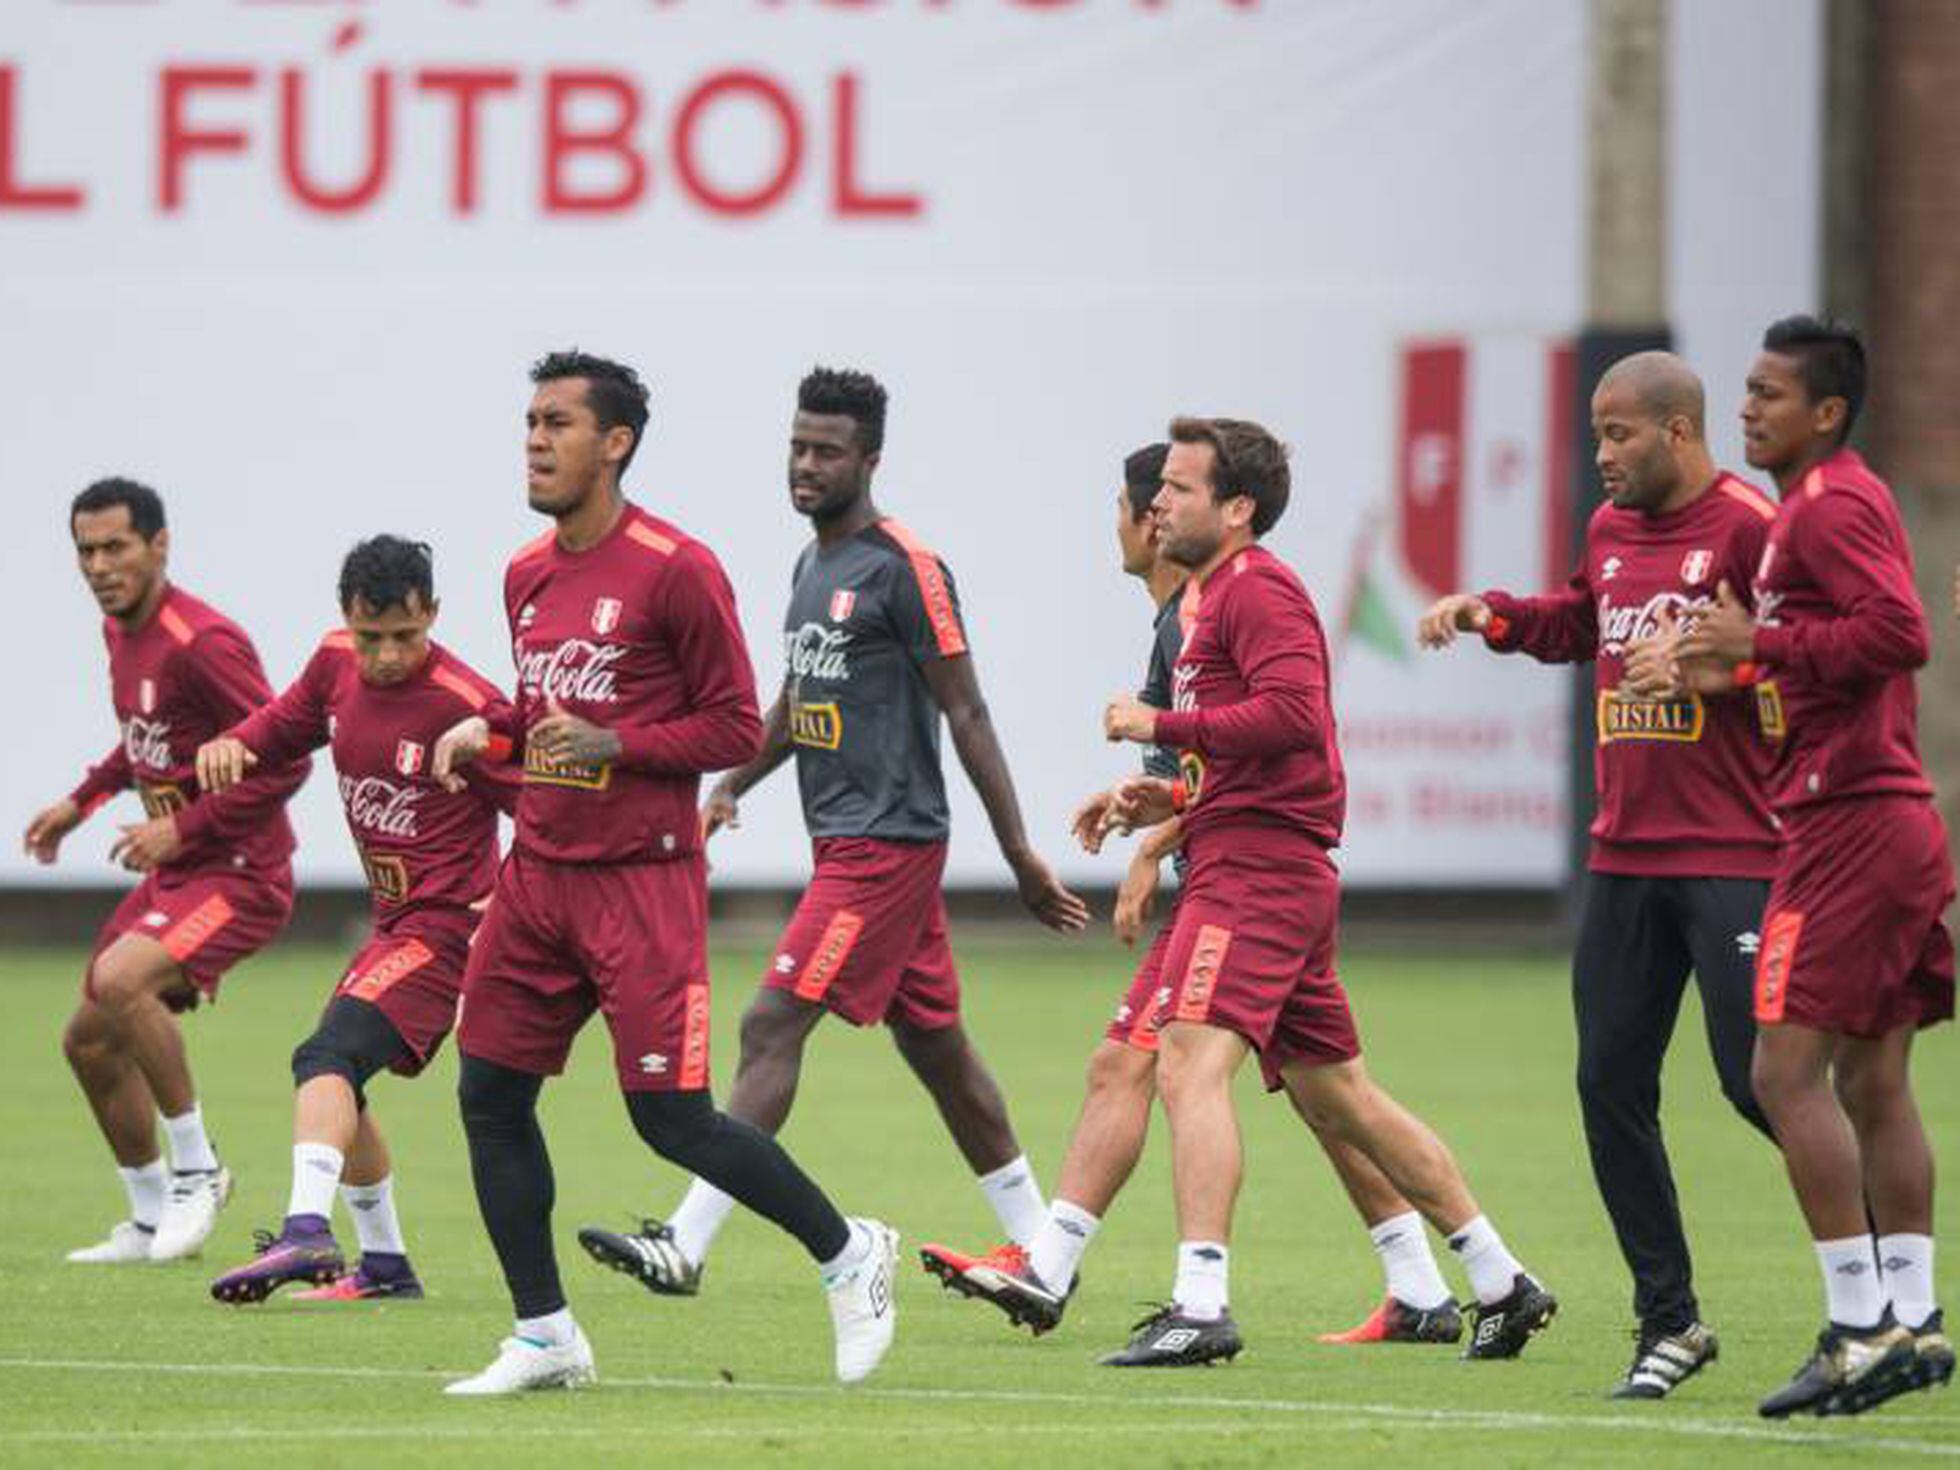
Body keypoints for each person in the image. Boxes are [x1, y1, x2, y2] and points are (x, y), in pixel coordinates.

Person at [930, 417, 1553, 1366]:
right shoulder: (1211, 601)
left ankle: (1200, 1301)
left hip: (1258, 870)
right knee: (1339, 1098)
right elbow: (1250, 742)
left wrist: (1162, 722)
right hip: (1252, 857)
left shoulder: (1259, 589)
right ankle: (1501, 1279)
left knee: (1183, 1062)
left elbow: (1296, 717)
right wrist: (1159, 797)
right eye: (1160, 489)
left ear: (1236, 509)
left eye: (1179, 488)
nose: (1158, 503)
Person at [431, 351, 896, 1395]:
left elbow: (732, 720)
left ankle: (847, 1253)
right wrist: (490, 725)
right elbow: (541, 702)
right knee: (490, 1097)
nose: (536, 440)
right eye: (529, 423)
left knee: (669, 1119)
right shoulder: (526, 571)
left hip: (641, 887)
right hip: (537, 877)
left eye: (557, 423)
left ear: (616, 443)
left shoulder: (677, 568)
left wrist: (616, 746)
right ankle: (545, 1333)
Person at [578, 367, 1086, 1298]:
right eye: (797, 447)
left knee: (770, 1021)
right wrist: (734, 782)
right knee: (936, 1045)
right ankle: (1042, 1255)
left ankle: (686, 1242)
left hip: (886, 848)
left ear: (871, 459)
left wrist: (1019, 854)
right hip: (845, 841)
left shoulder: (907, 567)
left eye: (827, 451)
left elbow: (967, 712)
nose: (806, 467)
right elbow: (798, 695)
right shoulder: (812, 565)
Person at [1416, 352, 1781, 1398]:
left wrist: (1730, 664)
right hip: (1623, 858)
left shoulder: (1749, 528)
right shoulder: (1612, 533)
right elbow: (1584, 620)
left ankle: (1874, 1294)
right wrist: (1495, 616)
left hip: (1731, 855)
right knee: (1609, 1088)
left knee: (1765, 1087)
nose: (1602, 455)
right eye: (1594, 434)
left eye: (1618, 435)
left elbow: (1815, 658)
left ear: (1677, 430)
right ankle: (1669, 1321)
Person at [1624, 317, 1953, 1417]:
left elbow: (1897, 632)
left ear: (1827, 413)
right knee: (1869, 1079)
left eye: (1770, 394)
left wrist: (1756, 649)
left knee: (1780, 1075)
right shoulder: (1810, 511)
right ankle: (1910, 1319)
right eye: (1747, 391)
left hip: (1847, 826)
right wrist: (1729, 670)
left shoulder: (1831, 502)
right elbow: (1820, 660)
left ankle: (1858, 1329)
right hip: (1881, 815)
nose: (1750, 408)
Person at [200, 535, 519, 1304]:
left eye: (404, 637)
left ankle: (306, 1230)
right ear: (346, 619)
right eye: (370, 637)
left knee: (326, 1058)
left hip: (445, 931)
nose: (384, 656)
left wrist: (509, 902)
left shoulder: (469, 709)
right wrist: (234, 743)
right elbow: (287, 725)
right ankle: (384, 1267)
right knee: (343, 1083)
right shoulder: (333, 663)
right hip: (393, 923)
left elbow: (545, 816)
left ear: (433, 615)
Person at [27, 478, 307, 1265]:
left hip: (244, 873)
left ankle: (198, 1170)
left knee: (121, 983)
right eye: (86, 550)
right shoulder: (121, 632)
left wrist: (180, 827)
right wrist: (79, 803)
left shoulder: (205, 642)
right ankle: (151, 1217)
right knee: (87, 1040)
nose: (99, 565)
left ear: (159, 546)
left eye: (116, 547)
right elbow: (143, 738)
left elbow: (282, 761)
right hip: (183, 872)